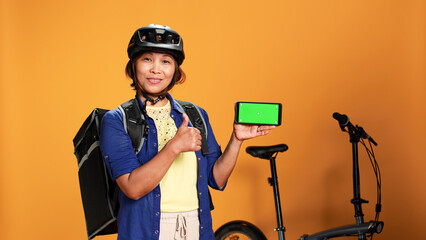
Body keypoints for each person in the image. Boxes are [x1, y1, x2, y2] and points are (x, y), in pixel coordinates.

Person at [100, 24, 275, 240]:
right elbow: (132, 188)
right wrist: (175, 147)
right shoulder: (117, 120)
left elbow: (217, 179)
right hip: (145, 231)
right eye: (147, 59)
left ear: (175, 70)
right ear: (133, 65)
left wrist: (236, 139)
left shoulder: (195, 114)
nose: (156, 69)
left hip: (196, 226)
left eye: (165, 61)